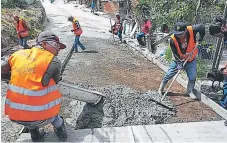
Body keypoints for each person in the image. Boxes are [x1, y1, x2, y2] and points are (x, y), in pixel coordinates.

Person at [1, 31, 68, 142]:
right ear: (44, 44)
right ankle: (62, 132)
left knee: (29, 111)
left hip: (15, 116)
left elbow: (4, 67)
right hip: (44, 118)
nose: (58, 49)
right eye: (56, 45)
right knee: (54, 113)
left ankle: (35, 136)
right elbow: (55, 81)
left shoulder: (17, 55)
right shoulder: (53, 60)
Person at [158, 22, 205, 100]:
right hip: (178, 59)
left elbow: (202, 27)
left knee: (192, 76)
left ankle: (190, 91)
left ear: (185, 30)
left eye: (180, 34)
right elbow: (175, 53)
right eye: (177, 34)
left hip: (190, 59)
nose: (178, 36)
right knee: (169, 74)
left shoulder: (191, 30)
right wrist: (179, 63)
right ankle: (160, 89)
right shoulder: (172, 40)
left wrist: (200, 38)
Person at [209, 16, 227, 126]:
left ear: (222, 29)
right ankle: (224, 105)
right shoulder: (225, 35)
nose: (218, 38)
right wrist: (225, 66)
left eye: (217, 36)